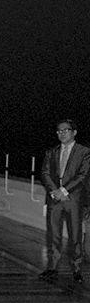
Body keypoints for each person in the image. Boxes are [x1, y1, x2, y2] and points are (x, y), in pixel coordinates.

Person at [39, 119, 90, 283]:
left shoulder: (84, 152)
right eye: (59, 131)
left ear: (74, 132)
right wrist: (54, 191)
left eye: (65, 130)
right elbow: (45, 173)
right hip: (55, 198)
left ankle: (76, 269)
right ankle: (52, 268)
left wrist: (64, 190)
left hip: (73, 199)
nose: (61, 133)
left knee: (75, 235)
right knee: (53, 234)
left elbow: (83, 175)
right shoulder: (51, 152)